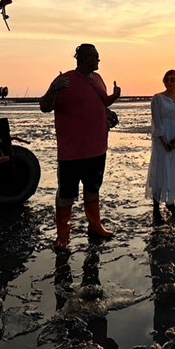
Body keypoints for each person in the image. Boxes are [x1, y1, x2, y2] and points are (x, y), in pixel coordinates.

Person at [39, 43, 121, 250]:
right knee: (66, 193)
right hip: (71, 151)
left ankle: (95, 226)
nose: (99, 60)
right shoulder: (63, 80)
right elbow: (44, 106)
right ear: (83, 57)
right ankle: (62, 236)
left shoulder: (98, 79)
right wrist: (55, 90)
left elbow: (103, 102)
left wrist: (114, 96)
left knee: (93, 188)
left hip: (97, 147)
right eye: (95, 56)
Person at [146, 69, 175, 225]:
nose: (170, 82)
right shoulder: (158, 99)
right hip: (162, 141)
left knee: (174, 172)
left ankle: (171, 202)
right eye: (168, 80)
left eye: (173, 80)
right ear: (164, 81)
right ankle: (156, 209)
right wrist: (164, 141)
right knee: (160, 171)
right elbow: (156, 122)